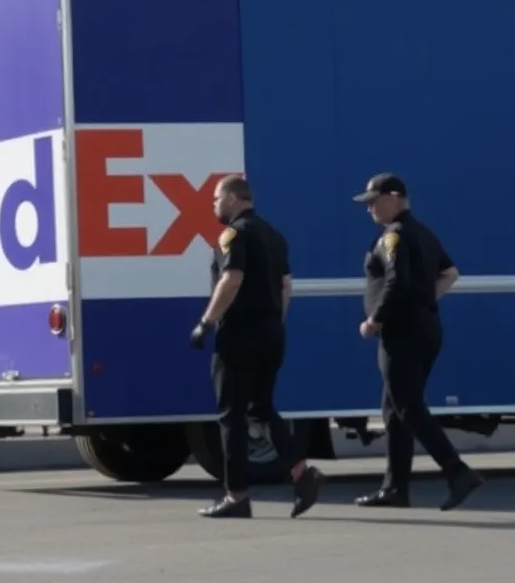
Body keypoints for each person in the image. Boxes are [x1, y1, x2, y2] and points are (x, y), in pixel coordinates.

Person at [190, 175, 325, 519]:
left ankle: (236, 496)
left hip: (239, 334)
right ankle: (300, 472)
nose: (214, 205)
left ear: (234, 198)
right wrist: (273, 325)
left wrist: (206, 322)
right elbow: (285, 287)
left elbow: (231, 279)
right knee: (261, 407)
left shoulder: (234, 234)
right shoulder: (274, 235)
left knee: (230, 415)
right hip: (271, 332)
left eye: (216, 198)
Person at [352, 173, 484, 511]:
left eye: (373, 201)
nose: (369, 210)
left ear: (394, 198)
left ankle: (458, 472)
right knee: (393, 410)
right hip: (424, 328)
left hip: (402, 333)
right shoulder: (422, 232)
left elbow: (395, 283)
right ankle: (395, 488)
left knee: (408, 406)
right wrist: (426, 301)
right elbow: (450, 273)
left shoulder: (394, 236)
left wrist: (374, 320)